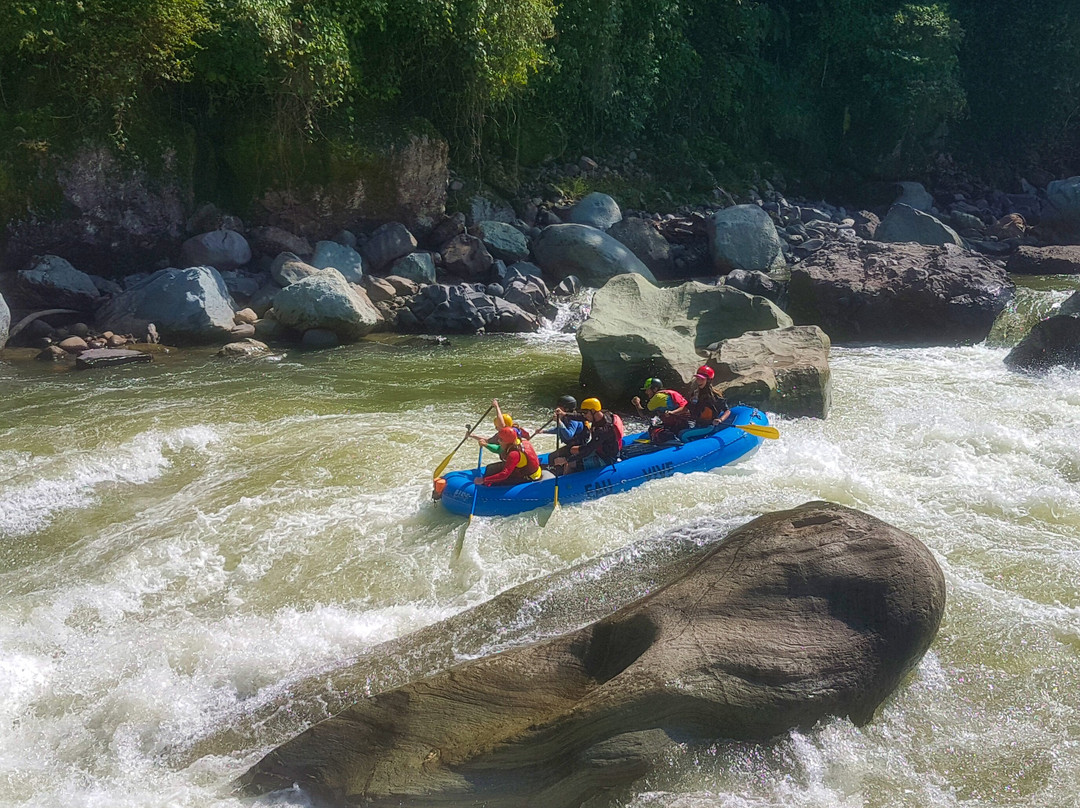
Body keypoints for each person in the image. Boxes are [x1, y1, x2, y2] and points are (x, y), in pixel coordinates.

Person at [559, 397, 624, 474]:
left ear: (593, 411)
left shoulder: (603, 430)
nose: (585, 416)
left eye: (586, 413)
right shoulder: (603, 414)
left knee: (570, 464)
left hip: (605, 458)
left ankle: (566, 482)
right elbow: (582, 417)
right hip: (599, 449)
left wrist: (566, 460)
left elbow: (588, 450)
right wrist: (565, 414)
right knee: (572, 449)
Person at [473, 426, 543, 486]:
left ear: (507, 442)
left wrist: (484, 480)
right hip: (521, 469)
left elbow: (504, 474)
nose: (498, 441)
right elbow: (498, 449)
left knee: (494, 482)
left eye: (500, 439)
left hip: (528, 477)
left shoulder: (514, 454)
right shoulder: (516, 441)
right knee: (490, 468)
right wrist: (486, 445)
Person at [631, 378, 690, 443]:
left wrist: (637, 404)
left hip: (677, 426)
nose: (646, 392)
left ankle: (672, 440)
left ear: (655, 389)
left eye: (647, 390)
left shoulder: (658, 397)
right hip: (685, 424)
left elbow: (644, 414)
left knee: (652, 429)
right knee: (658, 426)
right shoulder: (668, 393)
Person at [544, 395, 589, 474]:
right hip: (571, 445)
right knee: (551, 456)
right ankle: (555, 472)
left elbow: (568, 435)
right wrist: (544, 431)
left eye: (559, 406)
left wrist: (559, 422)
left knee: (553, 457)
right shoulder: (565, 417)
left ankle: (559, 475)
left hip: (578, 447)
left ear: (567, 408)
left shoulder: (574, 420)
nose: (557, 408)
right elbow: (560, 430)